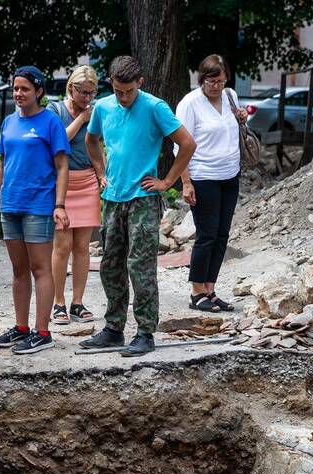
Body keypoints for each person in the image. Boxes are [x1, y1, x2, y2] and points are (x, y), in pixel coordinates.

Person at [81, 56, 196, 357]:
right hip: (113, 197)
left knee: (141, 266)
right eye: (118, 91)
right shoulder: (104, 107)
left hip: (143, 199)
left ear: (140, 83)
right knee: (110, 265)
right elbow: (91, 139)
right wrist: (100, 172)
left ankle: (145, 332)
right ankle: (113, 328)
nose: (123, 97)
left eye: (129, 91)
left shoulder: (155, 107)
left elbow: (187, 143)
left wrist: (168, 181)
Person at [0, 66, 71, 355]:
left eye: (25, 89)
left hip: (39, 205)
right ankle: (21, 328)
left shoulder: (50, 122)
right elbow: (2, 164)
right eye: (15, 89)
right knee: (19, 269)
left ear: (39, 92)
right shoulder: (8, 122)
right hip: (11, 205)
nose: (19, 94)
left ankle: (42, 332)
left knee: (40, 268)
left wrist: (59, 205)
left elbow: (61, 166)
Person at [175, 55, 247, 314]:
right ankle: (196, 292)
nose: (216, 86)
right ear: (201, 80)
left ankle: (210, 288)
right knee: (206, 234)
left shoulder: (230, 96)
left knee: (222, 234)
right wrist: (186, 182)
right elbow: (180, 145)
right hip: (203, 175)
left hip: (230, 174)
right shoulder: (190, 103)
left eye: (220, 80)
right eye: (210, 81)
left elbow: (233, 128)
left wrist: (241, 118)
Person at [48, 65, 104, 326]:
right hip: (62, 183)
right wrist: (81, 118)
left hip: (87, 181)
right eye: (83, 92)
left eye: (92, 93)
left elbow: (96, 145)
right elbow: (59, 141)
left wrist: (102, 172)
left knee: (83, 247)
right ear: (71, 88)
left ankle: (78, 302)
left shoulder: (95, 111)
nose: (87, 98)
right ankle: (58, 302)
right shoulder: (55, 110)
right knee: (62, 245)